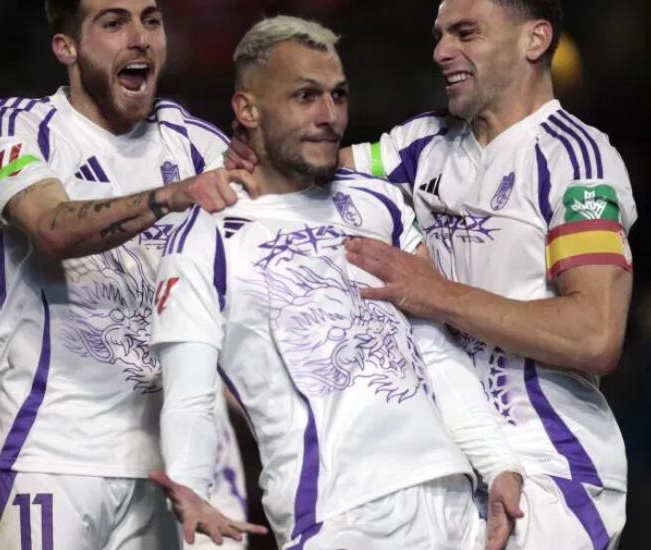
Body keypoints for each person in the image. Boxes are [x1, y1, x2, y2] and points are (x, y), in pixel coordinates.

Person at [149, 16, 526, 550]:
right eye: (306, 96)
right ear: (247, 110)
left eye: (339, 96)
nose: (330, 117)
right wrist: (190, 486)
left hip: (454, 501)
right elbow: (188, 397)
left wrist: (498, 465)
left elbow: (433, 350)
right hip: (338, 517)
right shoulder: (202, 239)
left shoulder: (379, 202)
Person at [0, 0, 264, 548]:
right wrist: (170, 196)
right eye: (113, 22)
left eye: (150, 20)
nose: (139, 38)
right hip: (50, 455)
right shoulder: (17, 127)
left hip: (170, 467)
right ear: (67, 47)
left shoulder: (198, 144)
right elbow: (52, 227)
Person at [338, 1, 633, 548]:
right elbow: (308, 170)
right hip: (445, 463)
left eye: (465, 33)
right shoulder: (420, 145)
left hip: (550, 471)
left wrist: (436, 294)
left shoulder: (577, 162)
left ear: (535, 40)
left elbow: (595, 334)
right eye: (439, 35)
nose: (441, 51)